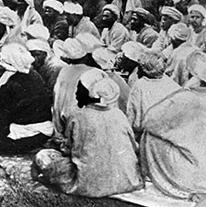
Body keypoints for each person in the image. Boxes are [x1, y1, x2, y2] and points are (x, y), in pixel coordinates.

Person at [33, 70, 143, 198]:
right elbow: (133, 147)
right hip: (126, 180)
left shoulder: (77, 116)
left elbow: (70, 150)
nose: (76, 93)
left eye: (79, 89)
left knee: (44, 156)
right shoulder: (119, 115)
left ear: (90, 94)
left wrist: (61, 145)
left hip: (90, 182)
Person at [141, 51, 206, 200]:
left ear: (196, 76)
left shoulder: (184, 98)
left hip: (189, 174)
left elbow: (149, 121)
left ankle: (155, 176)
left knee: (148, 136)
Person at [0, 43, 52, 153]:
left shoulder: (11, 85)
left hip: (28, 130)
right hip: (44, 130)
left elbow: (2, 116)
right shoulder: (35, 75)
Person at [126, 51, 180, 141]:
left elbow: (132, 117)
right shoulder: (171, 83)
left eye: (139, 68)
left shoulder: (140, 86)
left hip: (149, 136)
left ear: (144, 70)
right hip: (170, 135)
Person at [51, 37, 95, 136]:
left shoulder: (64, 72)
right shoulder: (95, 72)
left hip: (69, 123)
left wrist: (58, 130)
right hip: (92, 121)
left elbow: (58, 102)